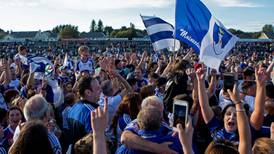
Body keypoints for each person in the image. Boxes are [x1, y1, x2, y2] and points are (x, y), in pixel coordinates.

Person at [67, 76, 101, 144]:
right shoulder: (92, 113)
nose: (101, 90)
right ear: (88, 92)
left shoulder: (73, 108)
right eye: (98, 88)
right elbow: (96, 142)